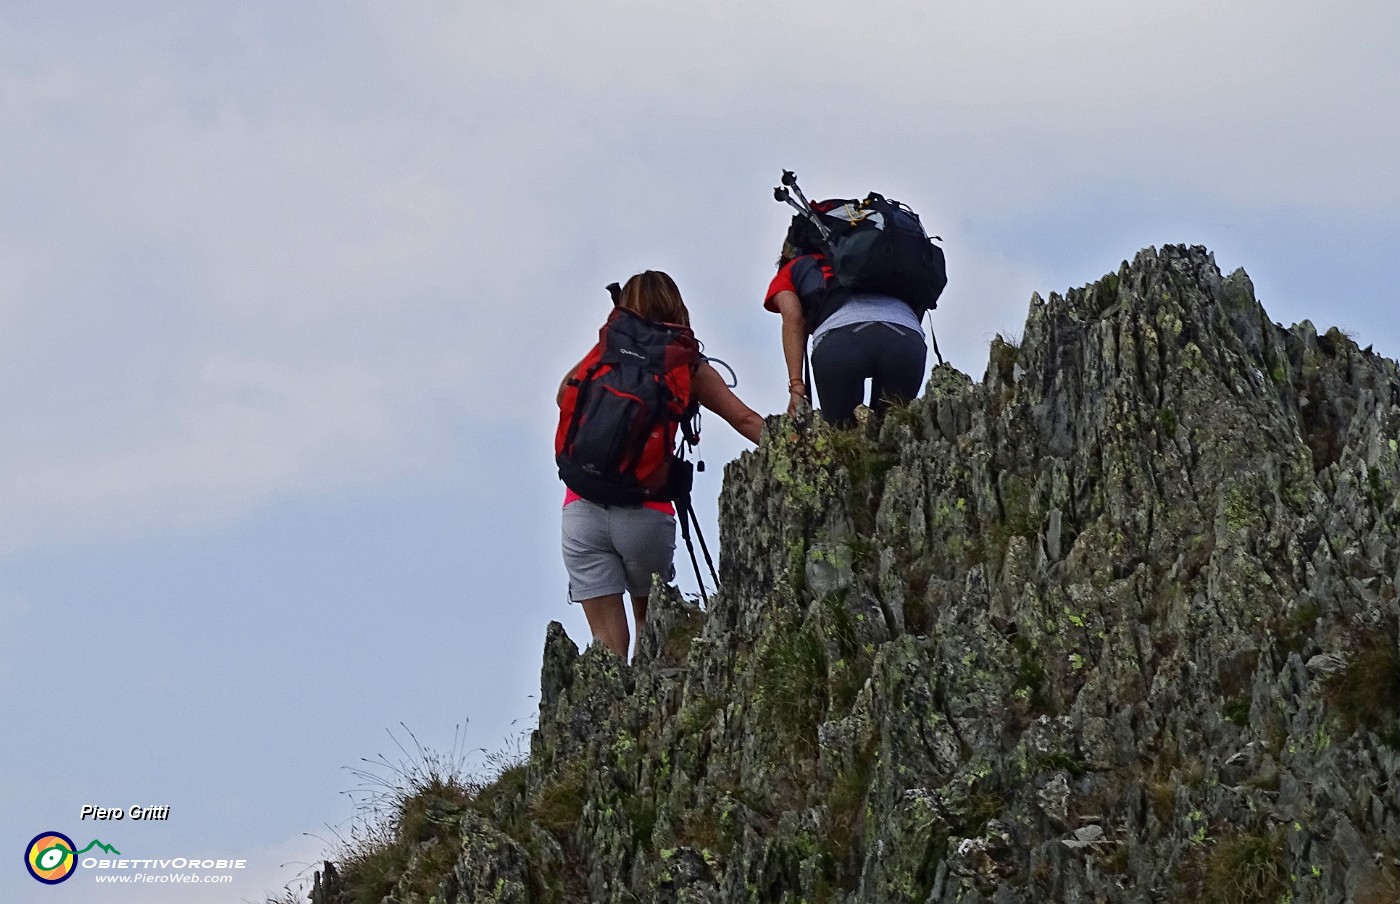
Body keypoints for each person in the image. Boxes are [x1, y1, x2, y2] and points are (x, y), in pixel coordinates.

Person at [557, 270, 762, 659]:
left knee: (608, 652)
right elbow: (745, 420)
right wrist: (805, 447)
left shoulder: (605, 350)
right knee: (651, 627)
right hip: (646, 513)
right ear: (677, 306)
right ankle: (652, 706)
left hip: (582, 507)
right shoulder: (687, 365)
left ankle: (615, 709)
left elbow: (561, 396)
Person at [765, 240, 928, 426]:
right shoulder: (889, 257)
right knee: (894, 433)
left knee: (843, 434)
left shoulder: (793, 268)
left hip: (840, 344)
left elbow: (793, 318)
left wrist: (796, 386)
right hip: (905, 339)